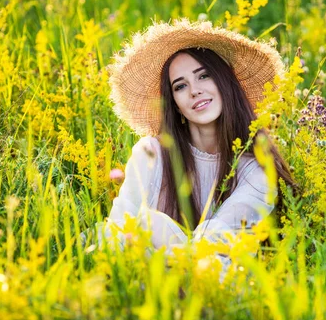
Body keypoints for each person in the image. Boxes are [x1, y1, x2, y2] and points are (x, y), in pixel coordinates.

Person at [104, 19, 297, 260]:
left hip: (219, 283)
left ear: (225, 82)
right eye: (180, 86)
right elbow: (117, 229)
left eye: (204, 76)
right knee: (143, 224)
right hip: (145, 282)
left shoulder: (256, 169)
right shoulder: (151, 154)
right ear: (174, 104)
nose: (194, 90)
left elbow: (219, 241)